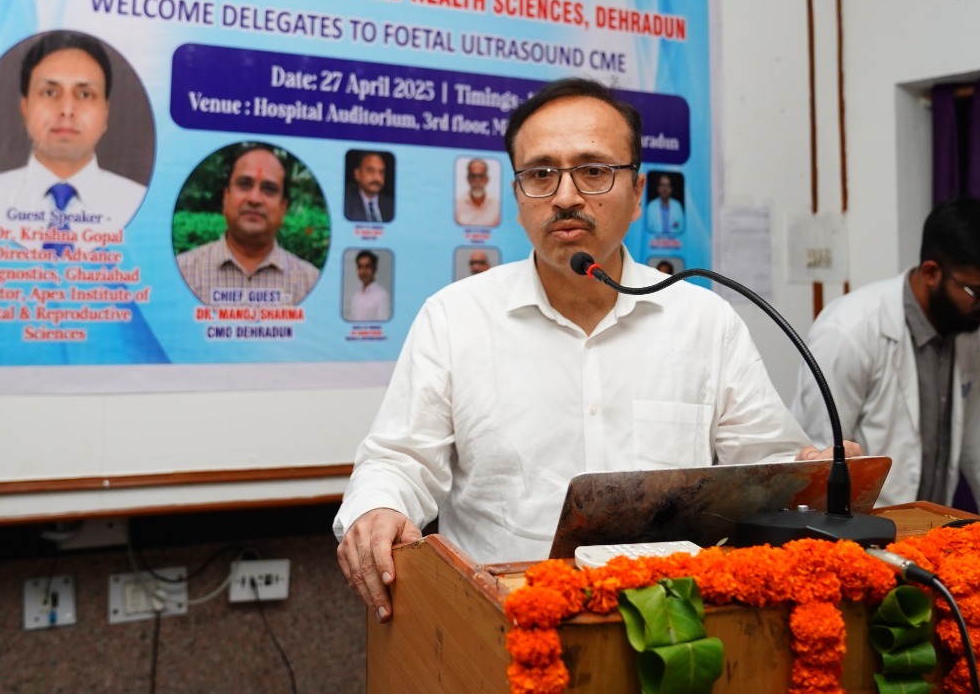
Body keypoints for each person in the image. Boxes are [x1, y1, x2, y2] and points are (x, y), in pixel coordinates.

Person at [335, 77, 831, 621]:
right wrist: (378, 508)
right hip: (503, 622)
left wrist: (813, 473)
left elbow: (765, 468)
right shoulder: (456, 317)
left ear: (637, 193)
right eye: (541, 174)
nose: (566, 197)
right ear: (518, 197)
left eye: (593, 171)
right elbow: (399, 461)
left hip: (672, 621)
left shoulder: (703, 320)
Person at [790, 196, 980, 521]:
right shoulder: (848, 331)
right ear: (931, 272)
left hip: (931, 533)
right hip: (863, 534)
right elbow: (818, 460)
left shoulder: (965, 327)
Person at [0, 31, 146, 249]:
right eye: (49, 92)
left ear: (105, 113)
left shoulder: (138, 204)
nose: (66, 109)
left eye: (85, 94)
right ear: (25, 107)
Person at [176, 144, 320, 305]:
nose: (254, 199)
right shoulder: (182, 273)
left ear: (283, 208)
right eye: (244, 184)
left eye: (269, 189)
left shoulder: (311, 283)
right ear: (226, 198)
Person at [344, 150, 394, 224]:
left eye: (381, 172)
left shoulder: (390, 205)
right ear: (357, 174)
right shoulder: (346, 201)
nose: (377, 178)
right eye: (370, 171)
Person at [346, 250, 392, 322]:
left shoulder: (382, 295)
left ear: (374, 269)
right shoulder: (356, 296)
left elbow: (384, 325)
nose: (363, 271)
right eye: (360, 267)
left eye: (367, 266)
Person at [454, 157, 500, 227]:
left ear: (487, 179)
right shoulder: (457, 205)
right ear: (468, 179)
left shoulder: (497, 205)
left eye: (480, 176)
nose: (477, 180)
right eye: (473, 176)